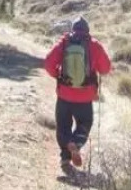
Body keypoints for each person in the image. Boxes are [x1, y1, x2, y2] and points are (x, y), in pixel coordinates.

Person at [43, 16, 112, 175]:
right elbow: (106, 69)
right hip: (85, 96)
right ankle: (75, 143)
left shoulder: (64, 41)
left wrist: (59, 76)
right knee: (85, 123)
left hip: (64, 94)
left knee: (63, 126)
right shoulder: (94, 44)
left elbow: (48, 63)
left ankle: (65, 159)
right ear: (87, 30)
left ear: (72, 29)